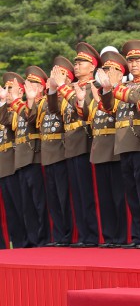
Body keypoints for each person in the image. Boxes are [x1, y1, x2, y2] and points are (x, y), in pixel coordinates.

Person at [99, 39, 140, 249]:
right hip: (123, 143)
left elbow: (139, 101)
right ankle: (137, 235)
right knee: (132, 194)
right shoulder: (121, 86)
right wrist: (107, 88)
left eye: (138, 60)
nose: (134, 65)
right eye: (131, 61)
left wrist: (115, 87)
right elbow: (107, 107)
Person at [51, 42, 102, 247]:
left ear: (92, 67)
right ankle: (83, 235)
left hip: (86, 143)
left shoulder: (94, 87)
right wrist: (54, 89)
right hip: (71, 145)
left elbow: (85, 109)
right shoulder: (70, 88)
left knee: (89, 194)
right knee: (78, 195)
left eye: (82, 63)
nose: (77, 66)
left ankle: (93, 235)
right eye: (76, 63)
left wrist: (63, 87)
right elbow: (54, 110)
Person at [88, 51, 128, 247]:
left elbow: (113, 111)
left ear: (120, 75)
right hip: (101, 149)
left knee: (121, 198)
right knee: (104, 199)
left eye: (111, 71)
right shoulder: (99, 92)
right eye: (104, 70)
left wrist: (109, 89)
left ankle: (123, 236)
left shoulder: (123, 91)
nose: (106, 74)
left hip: (117, 148)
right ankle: (110, 236)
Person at [11, 67, 50, 247]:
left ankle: (43, 238)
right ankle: (33, 239)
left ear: (42, 88)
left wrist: (31, 100)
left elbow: (32, 119)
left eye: (34, 85)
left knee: (40, 202)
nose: (30, 88)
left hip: (36, 156)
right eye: (28, 84)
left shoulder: (42, 103)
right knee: (27, 204)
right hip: (22, 157)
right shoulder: (25, 105)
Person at [39, 60, 74, 246]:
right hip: (48, 154)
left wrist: (58, 88)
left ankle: (69, 234)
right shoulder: (48, 99)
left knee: (64, 197)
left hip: (61, 152)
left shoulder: (68, 96)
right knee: (53, 198)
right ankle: (60, 234)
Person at [0, 73, 28, 248]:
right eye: (6, 89)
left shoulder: (20, 109)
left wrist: (6, 103)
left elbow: (11, 123)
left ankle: (23, 243)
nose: (7, 92)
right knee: (10, 211)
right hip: (3, 166)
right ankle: (15, 243)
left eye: (11, 89)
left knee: (20, 209)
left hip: (13, 165)